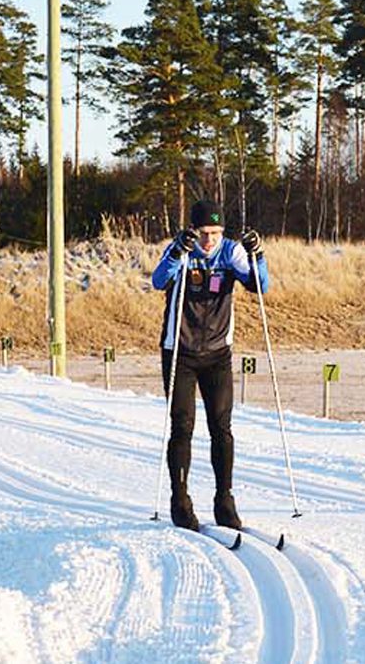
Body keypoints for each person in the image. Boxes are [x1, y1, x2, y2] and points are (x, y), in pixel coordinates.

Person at [151, 200, 269, 531]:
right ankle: (180, 500)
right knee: (183, 427)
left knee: (222, 428)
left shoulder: (230, 253)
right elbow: (159, 280)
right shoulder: (182, 249)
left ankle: (224, 500)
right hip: (180, 353)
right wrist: (177, 252)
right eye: (204, 233)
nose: (209, 240)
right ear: (194, 229)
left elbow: (261, 286)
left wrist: (257, 255)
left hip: (217, 353)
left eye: (215, 233)